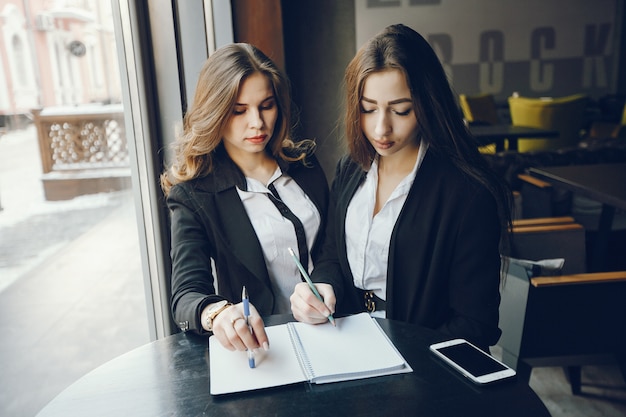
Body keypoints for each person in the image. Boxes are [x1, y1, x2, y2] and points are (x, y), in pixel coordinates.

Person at [290, 24, 513, 350]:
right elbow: (332, 256)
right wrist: (320, 287)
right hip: (347, 347)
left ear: (427, 104)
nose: (381, 128)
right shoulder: (351, 168)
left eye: (401, 110)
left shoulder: (467, 195)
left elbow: (475, 323)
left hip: (423, 367)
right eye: (368, 109)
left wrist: (403, 356)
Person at [161, 43, 328, 352]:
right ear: (216, 112)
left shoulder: (304, 164)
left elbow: (333, 247)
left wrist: (330, 284)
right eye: (239, 111)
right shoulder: (194, 195)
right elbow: (185, 296)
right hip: (265, 346)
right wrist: (218, 313)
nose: (257, 122)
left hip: (333, 330)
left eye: (266, 105)